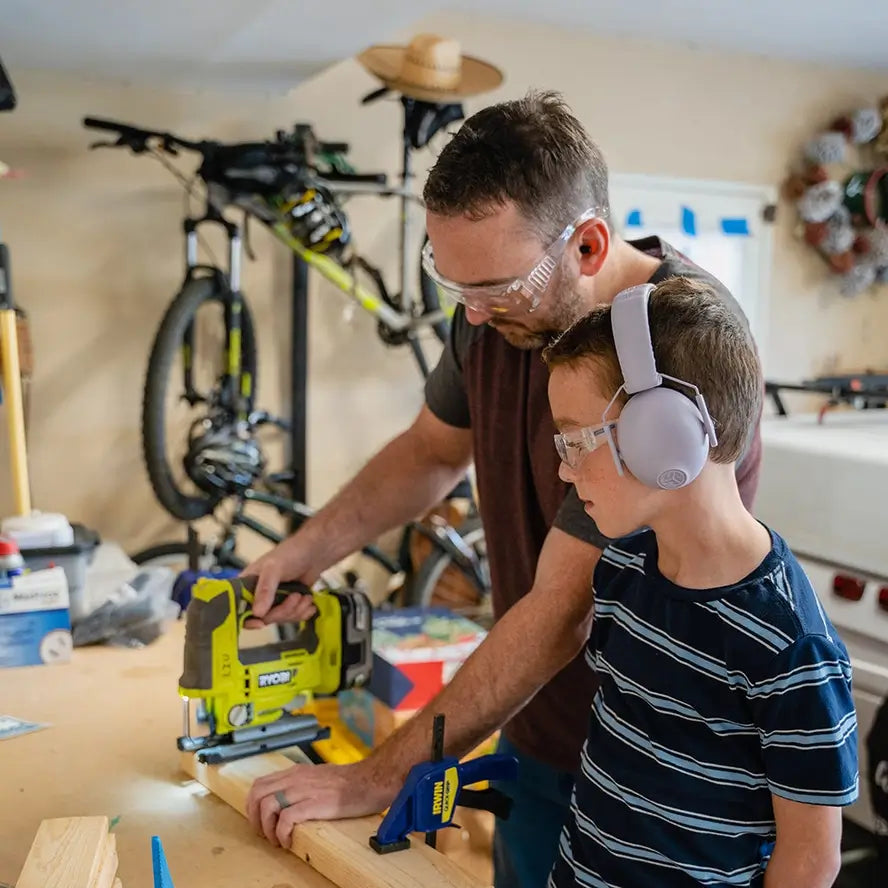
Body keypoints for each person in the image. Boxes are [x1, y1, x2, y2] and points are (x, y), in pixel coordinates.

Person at [241, 90, 763, 888]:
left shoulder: (672, 350)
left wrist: (371, 778)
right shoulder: (499, 310)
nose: (474, 318)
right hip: (536, 730)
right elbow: (427, 451)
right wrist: (305, 551)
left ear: (587, 244)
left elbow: (563, 609)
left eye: (494, 289)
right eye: (454, 288)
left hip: (660, 779)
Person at [542, 276, 858, 887]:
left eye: (577, 439)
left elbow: (811, 860)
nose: (563, 465)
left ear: (664, 432)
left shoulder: (790, 647)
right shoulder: (625, 566)